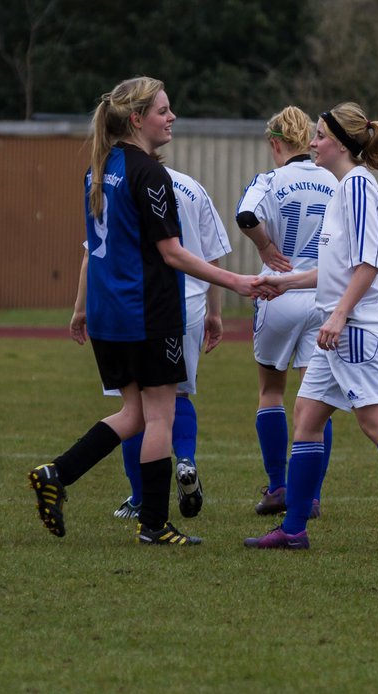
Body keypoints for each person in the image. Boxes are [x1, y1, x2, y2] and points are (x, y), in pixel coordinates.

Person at [27, 76, 260, 546]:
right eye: (162, 111)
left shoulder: (98, 168)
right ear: (136, 119)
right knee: (160, 417)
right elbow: (172, 253)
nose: (171, 118)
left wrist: (80, 309)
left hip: (110, 314)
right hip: (148, 311)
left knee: (133, 414)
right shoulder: (148, 173)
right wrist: (237, 282)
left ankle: (56, 473)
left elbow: (95, 251)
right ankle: (154, 524)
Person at [244, 103, 378, 554]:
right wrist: (283, 281)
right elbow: (336, 268)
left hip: (355, 327)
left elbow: (366, 265)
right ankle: (293, 529)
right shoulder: (344, 188)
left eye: (321, 136)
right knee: (306, 419)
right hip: (341, 325)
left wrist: (340, 314)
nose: (312, 143)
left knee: (377, 423)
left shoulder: (359, 186)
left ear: (342, 145)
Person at [112, 166, 232, 522]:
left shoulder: (119, 181)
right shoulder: (192, 186)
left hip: (138, 303)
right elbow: (212, 253)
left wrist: (82, 307)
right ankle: (185, 459)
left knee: (136, 405)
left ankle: (139, 497)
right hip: (191, 302)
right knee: (177, 395)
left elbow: (96, 251)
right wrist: (215, 312)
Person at [235, 106, 338, 519]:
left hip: (277, 291)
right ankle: (309, 495)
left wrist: (263, 246)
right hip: (323, 295)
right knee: (316, 400)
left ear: (275, 142)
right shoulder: (337, 180)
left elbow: (246, 216)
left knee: (271, 392)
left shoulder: (269, 180)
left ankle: (278, 486)